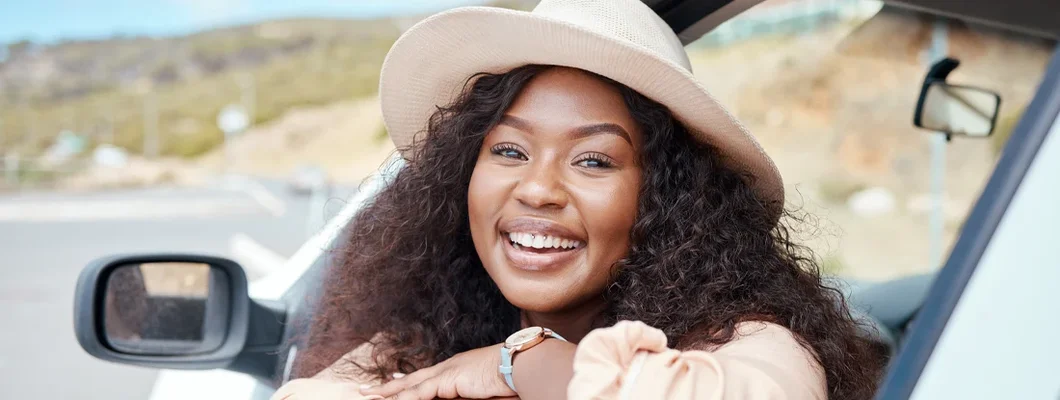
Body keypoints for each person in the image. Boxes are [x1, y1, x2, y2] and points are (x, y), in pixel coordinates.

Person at [274, 0, 884, 399]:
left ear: (669, 198)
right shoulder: (419, 344)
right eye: (509, 151)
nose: (537, 188)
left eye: (593, 160)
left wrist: (520, 363)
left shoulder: (752, 346)